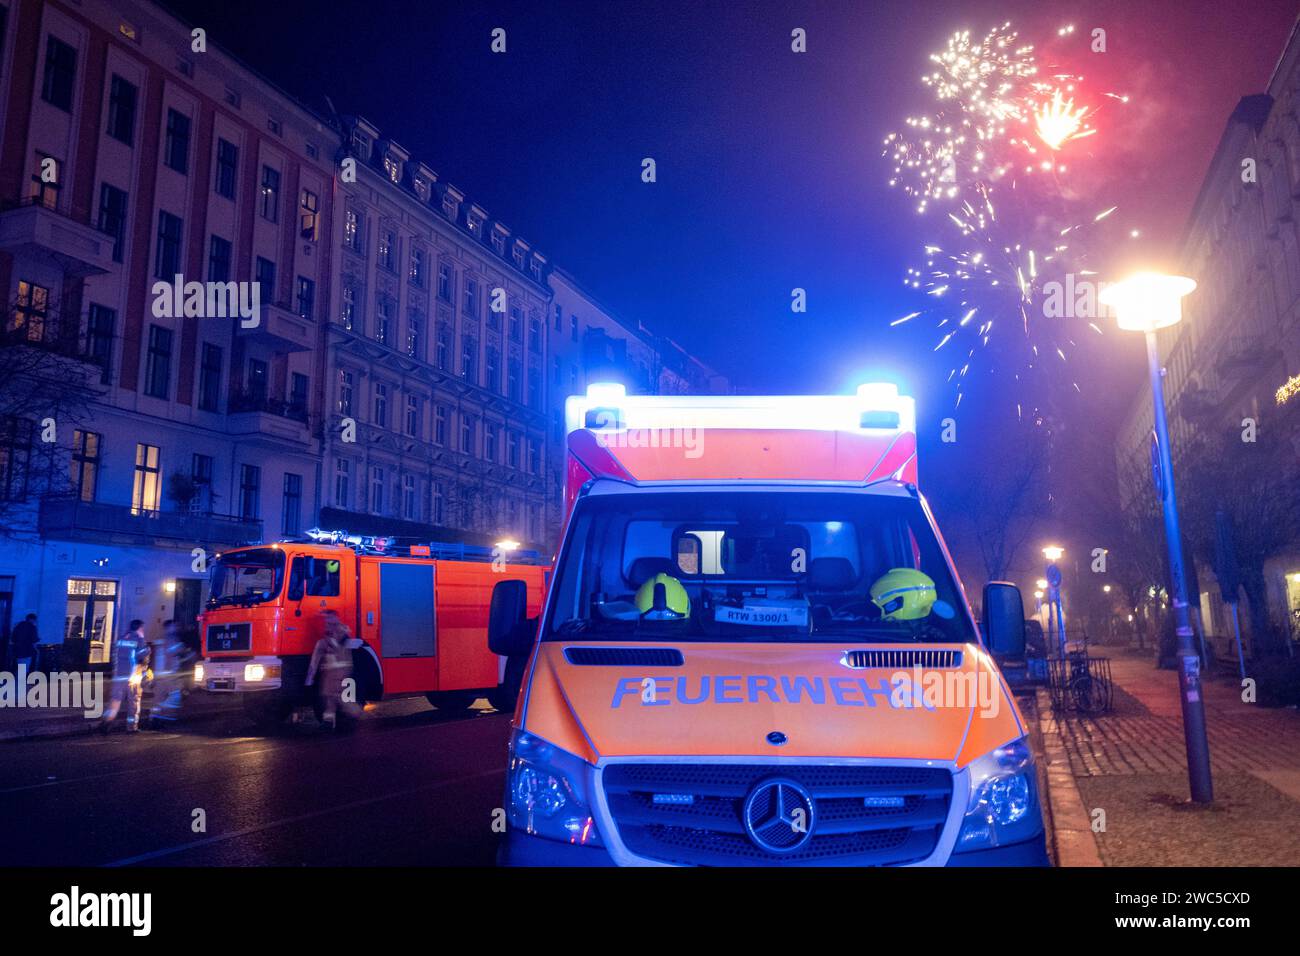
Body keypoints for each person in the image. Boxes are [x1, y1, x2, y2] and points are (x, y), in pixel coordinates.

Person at [305, 610, 359, 729]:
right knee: (331, 697)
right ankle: (329, 721)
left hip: (340, 673)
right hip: (332, 673)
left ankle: (354, 713)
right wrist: (309, 679)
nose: (328, 624)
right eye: (327, 622)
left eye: (331, 622)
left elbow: (315, 662)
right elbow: (315, 661)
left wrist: (309, 680)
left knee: (337, 697)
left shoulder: (338, 638)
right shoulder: (327, 641)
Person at [101, 620, 149, 733]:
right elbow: (142, 655)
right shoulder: (138, 640)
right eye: (142, 628)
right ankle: (131, 727)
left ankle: (106, 722)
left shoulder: (121, 639)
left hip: (118, 676)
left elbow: (115, 655)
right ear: (139, 628)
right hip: (132, 677)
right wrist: (143, 641)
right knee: (134, 702)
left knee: (115, 701)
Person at [148, 620, 195, 726]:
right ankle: (166, 716)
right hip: (170, 676)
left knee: (158, 699)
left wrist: (151, 677)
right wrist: (189, 655)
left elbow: (152, 659)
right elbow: (184, 654)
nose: (176, 628)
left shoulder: (158, 640)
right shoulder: (173, 641)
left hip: (158, 675)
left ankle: (154, 718)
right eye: (174, 626)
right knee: (175, 696)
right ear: (168, 628)